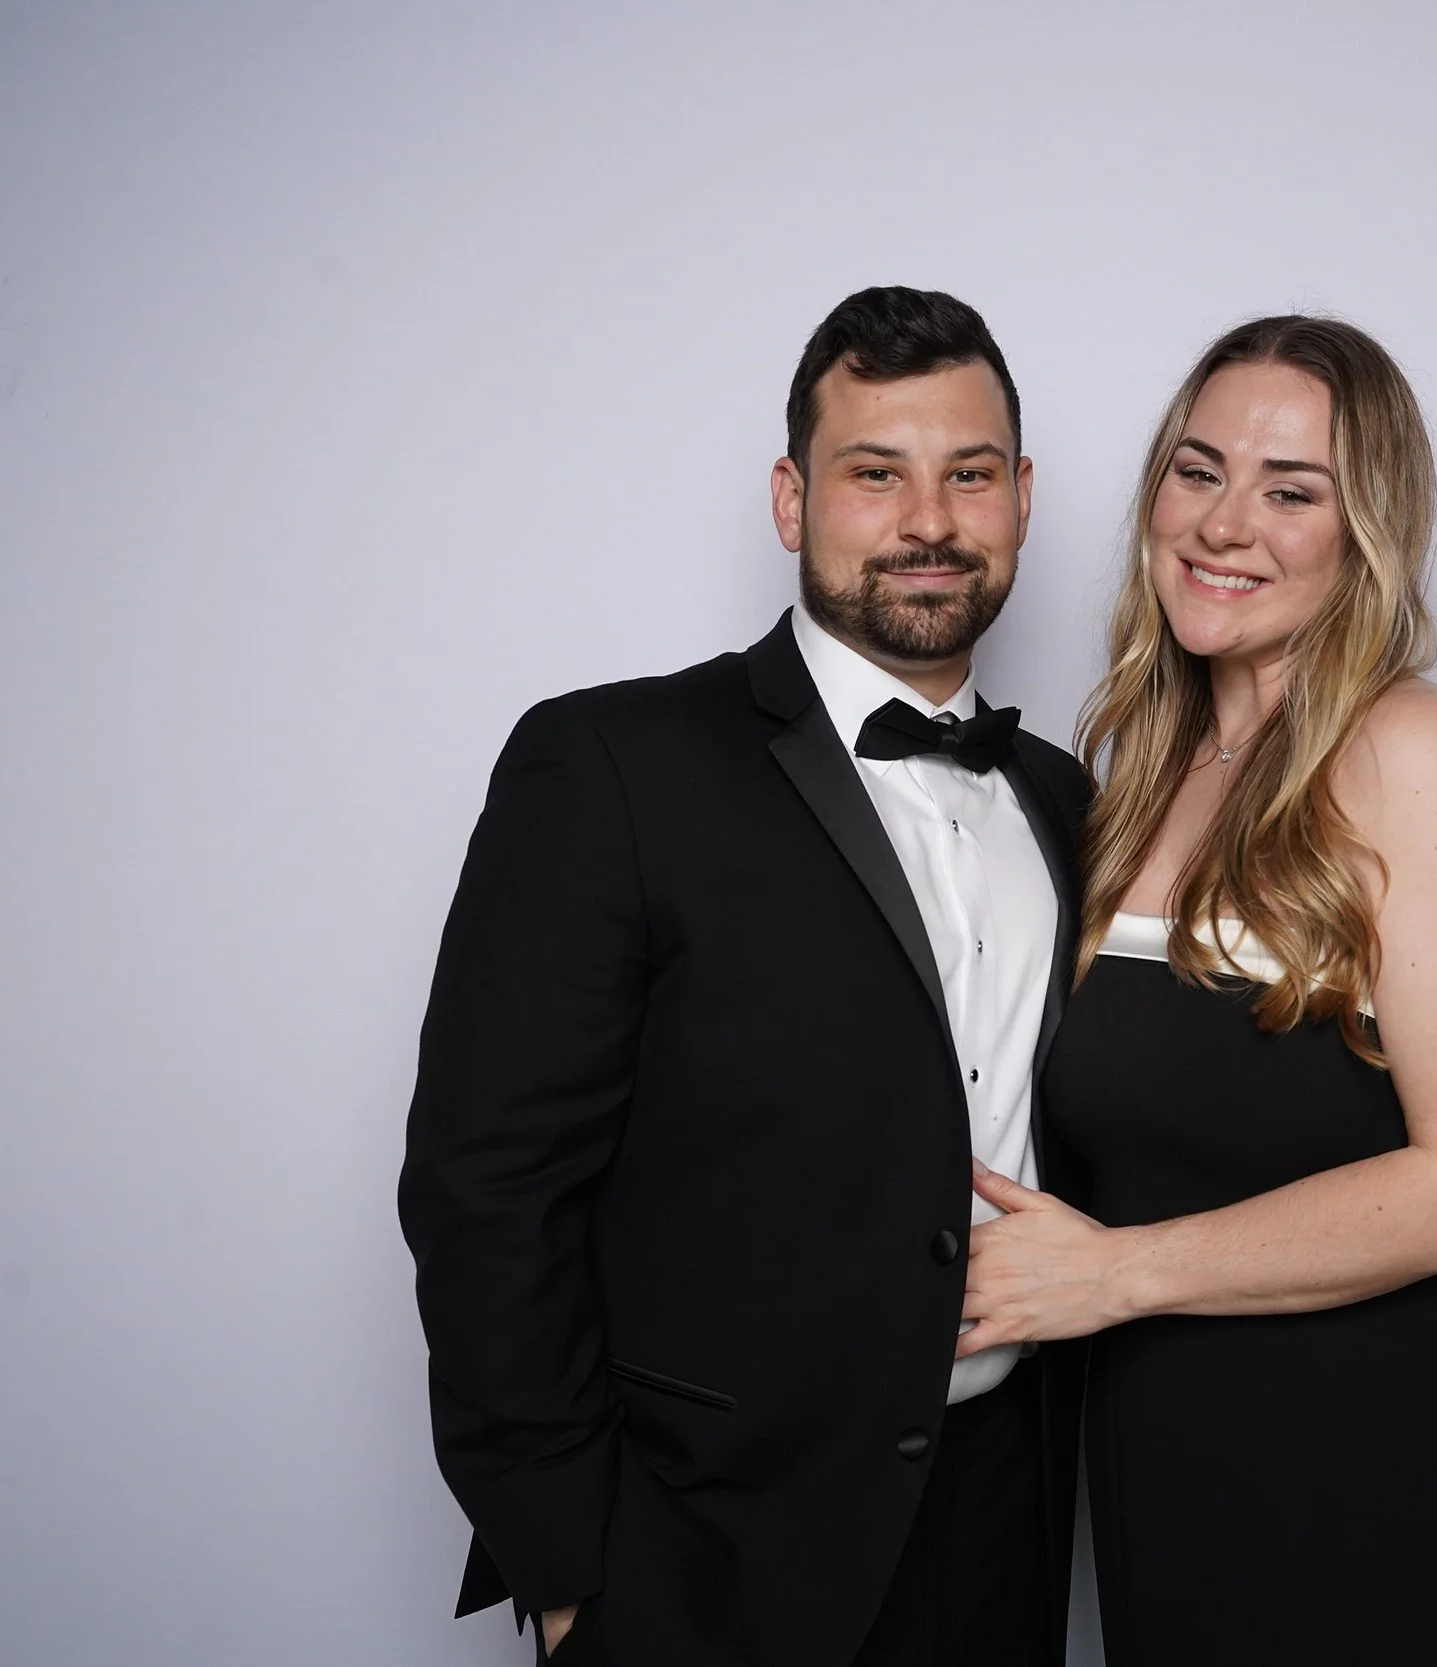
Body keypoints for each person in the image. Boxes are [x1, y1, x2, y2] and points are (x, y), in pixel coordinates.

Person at [397, 286, 1088, 1667]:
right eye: (873, 472)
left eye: (969, 474)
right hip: (705, 1558)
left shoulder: (1073, 803)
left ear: (1021, 498)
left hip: (1006, 1529)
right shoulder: (610, 767)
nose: (929, 521)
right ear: (792, 498)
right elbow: (486, 1189)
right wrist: (569, 1567)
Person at [957, 316, 1437, 1664]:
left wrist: (1117, 1274)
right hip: (1164, 1457)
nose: (1227, 522)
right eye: (1198, 470)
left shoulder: (1417, 752)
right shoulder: (1133, 782)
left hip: (1373, 1463)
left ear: (1367, 534)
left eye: (1293, 492)